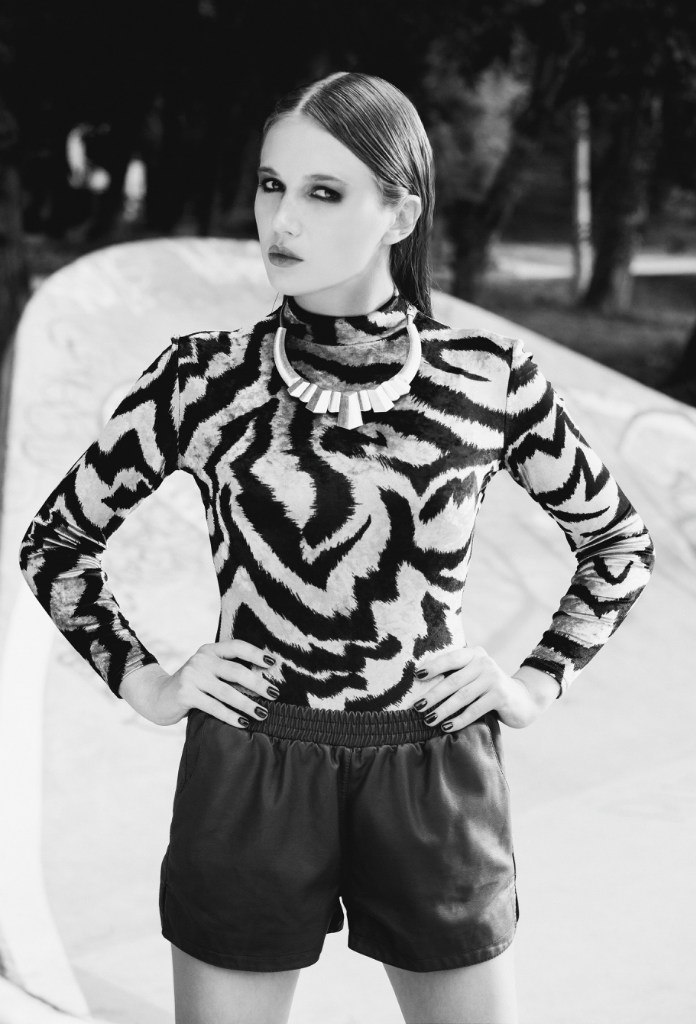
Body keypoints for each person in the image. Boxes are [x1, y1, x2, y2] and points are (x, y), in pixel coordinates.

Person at [18, 71, 656, 1024]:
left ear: (401, 213)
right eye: (272, 184)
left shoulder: (490, 378)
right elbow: (57, 542)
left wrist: (534, 684)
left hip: (432, 766)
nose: (282, 219)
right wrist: (147, 683)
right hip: (250, 767)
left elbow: (618, 543)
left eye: (324, 192)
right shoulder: (201, 378)